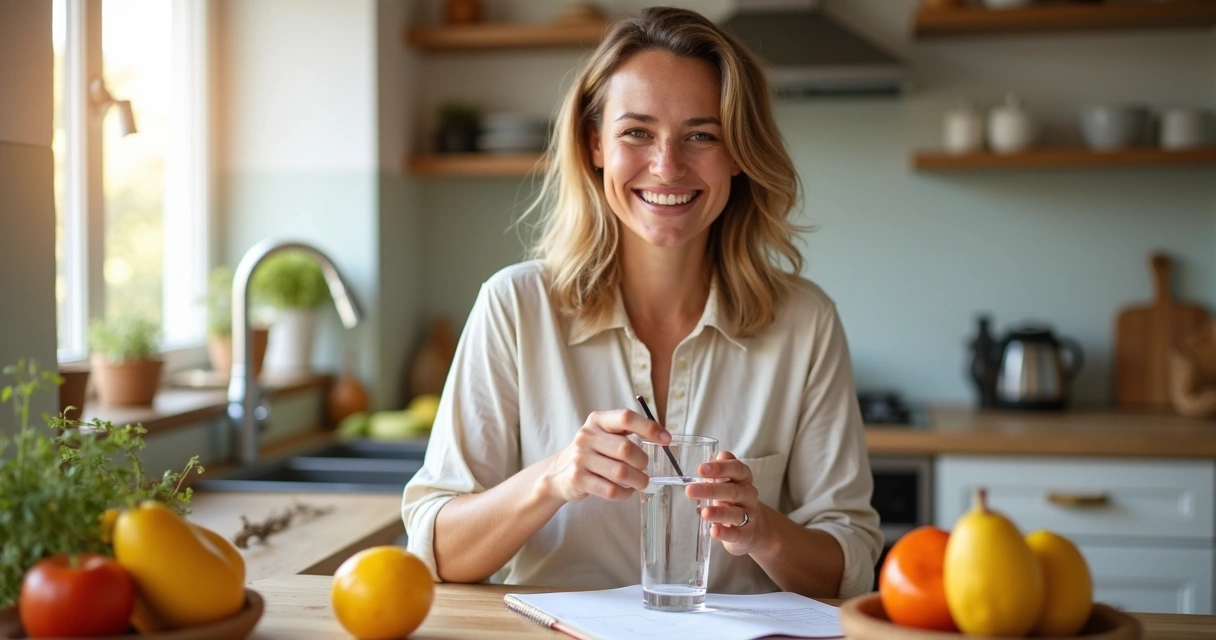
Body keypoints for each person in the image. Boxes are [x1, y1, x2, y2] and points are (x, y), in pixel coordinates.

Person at [402, 6, 881, 599]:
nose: (667, 166)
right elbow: (434, 549)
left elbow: (852, 559)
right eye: (637, 132)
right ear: (595, 143)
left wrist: (764, 532)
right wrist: (553, 478)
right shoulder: (514, 307)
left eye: (701, 135)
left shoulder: (805, 323)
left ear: (738, 153)